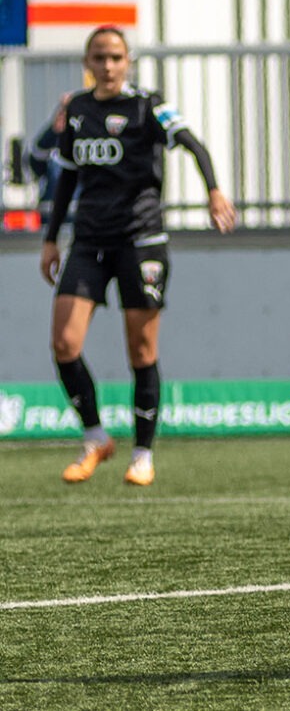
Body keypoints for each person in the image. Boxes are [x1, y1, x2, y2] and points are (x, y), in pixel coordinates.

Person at [40, 25, 237, 486]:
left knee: (141, 348)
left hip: (140, 241)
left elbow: (193, 144)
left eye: (115, 57)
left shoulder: (149, 105)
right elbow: (67, 178)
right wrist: (51, 238)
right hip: (88, 241)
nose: (107, 65)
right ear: (88, 63)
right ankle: (95, 438)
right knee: (64, 343)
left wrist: (213, 191)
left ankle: (143, 454)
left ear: (127, 61)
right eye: (99, 57)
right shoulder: (77, 109)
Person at [26, 93, 71, 226]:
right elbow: (35, 159)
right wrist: (53, 131)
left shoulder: (89, 146)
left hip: (81, 217)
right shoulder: (51, 145)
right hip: (50, 217)